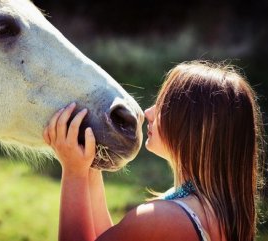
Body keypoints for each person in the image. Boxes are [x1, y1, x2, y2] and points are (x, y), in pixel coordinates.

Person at [43, 61, 265, 241]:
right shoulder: (214, 213)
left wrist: (73, 171)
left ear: (197, 130)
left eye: (164, 106)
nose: (148, 112)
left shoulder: (162, 219)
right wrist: (91, 167)